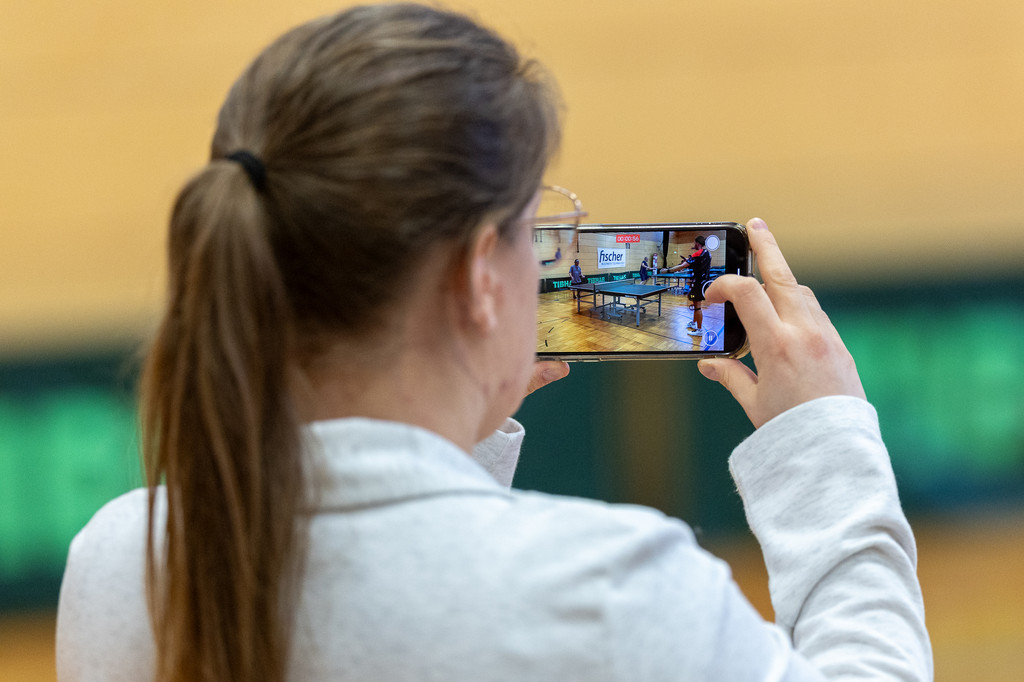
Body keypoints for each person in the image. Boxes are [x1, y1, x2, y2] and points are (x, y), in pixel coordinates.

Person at [55, 4, 932, 682]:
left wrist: (453, 433)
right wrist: (825, 445)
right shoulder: (613, 587)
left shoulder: (118, 563)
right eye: (536, 224)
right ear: (481, 272)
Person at [666, 236, 712, 336]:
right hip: (703, 282)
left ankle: (699, 330)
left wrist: (668, 270)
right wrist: (689, 260)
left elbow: (682, 266)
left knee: (698, 306)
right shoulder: (707, 253)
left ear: (698, 243)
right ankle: (694, 323)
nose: (694, 245)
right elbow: (698, 262)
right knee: (695, 304)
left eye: (694, 243)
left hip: (698, 283)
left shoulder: (697, 253)